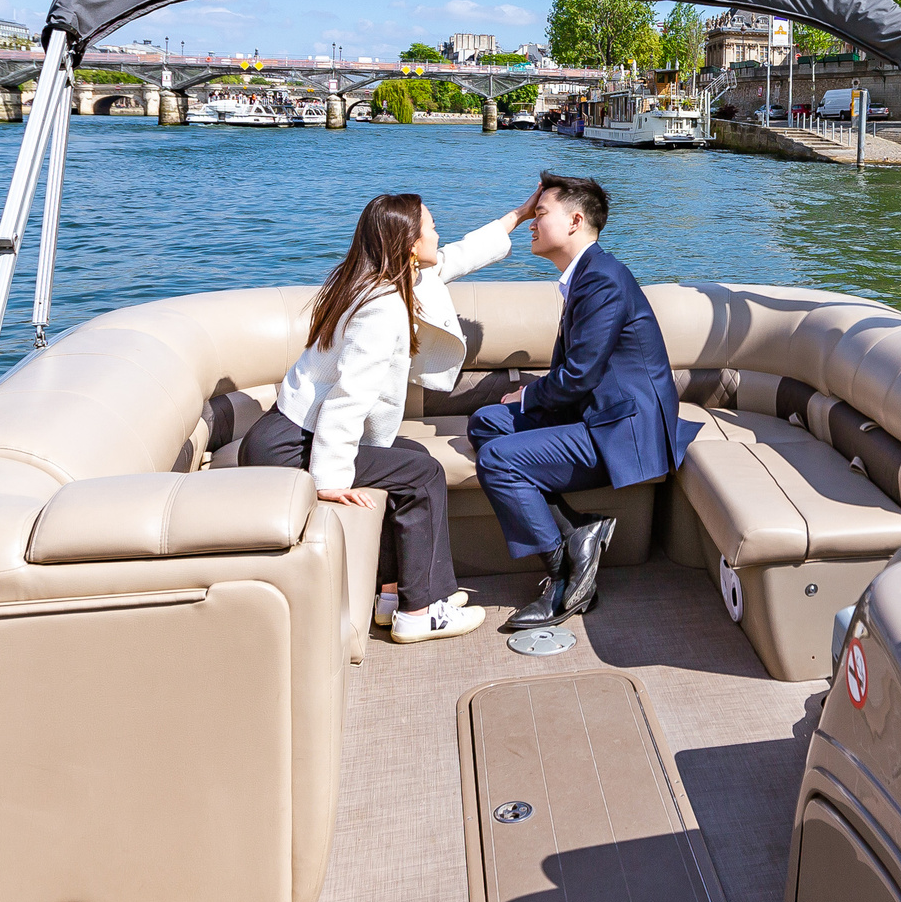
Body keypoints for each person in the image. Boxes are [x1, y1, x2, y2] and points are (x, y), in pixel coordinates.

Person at [241, 191, 531, 644]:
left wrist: (517, 215)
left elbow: (459, 255)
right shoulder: (382, 305)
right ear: (409, 243)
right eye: (431, 226)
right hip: (290, 445)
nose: (439, 233)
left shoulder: (382, 279)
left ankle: (393, 596)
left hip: (288, 431)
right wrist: (329, 480)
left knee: (410, 455)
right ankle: (420, 612)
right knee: (422, 473)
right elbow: (349, 395)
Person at [467, 172, 691, 630]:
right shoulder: (584, 276)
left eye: (539, 213)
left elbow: (579, 375)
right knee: (486, 422)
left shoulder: (603, 280)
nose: (531, 221)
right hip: (596, 414)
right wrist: (528, 400)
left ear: (574, 221)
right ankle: (577, 533)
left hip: (624, 429)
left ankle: (566, 580)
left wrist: (529, 394)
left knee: (497, 460)